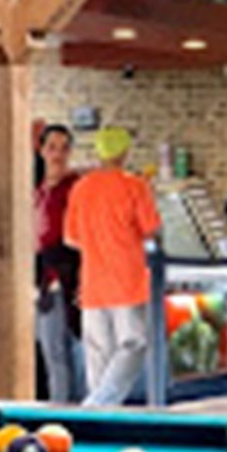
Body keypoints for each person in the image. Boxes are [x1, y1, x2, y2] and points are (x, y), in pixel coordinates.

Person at [63, 124, 162, 406]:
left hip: (93, 282)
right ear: (125, 151)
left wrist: (98, 241)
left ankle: (98, 415)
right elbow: (151, 228)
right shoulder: (135, 186)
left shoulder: (81, 188)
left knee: (98, 354)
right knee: (133, 344)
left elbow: (71, 238)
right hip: (128, 280)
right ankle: (98, 404)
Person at [32, 121, 84, 403]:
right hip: (44, 276)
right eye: (52, 147)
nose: (57, 154)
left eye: (64, 148)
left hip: (70, 273)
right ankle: (58, 407)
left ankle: (72, 410)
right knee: (52, 349)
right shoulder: (38, 190)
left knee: (73, 348)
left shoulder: (75, 188)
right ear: (41, 150)